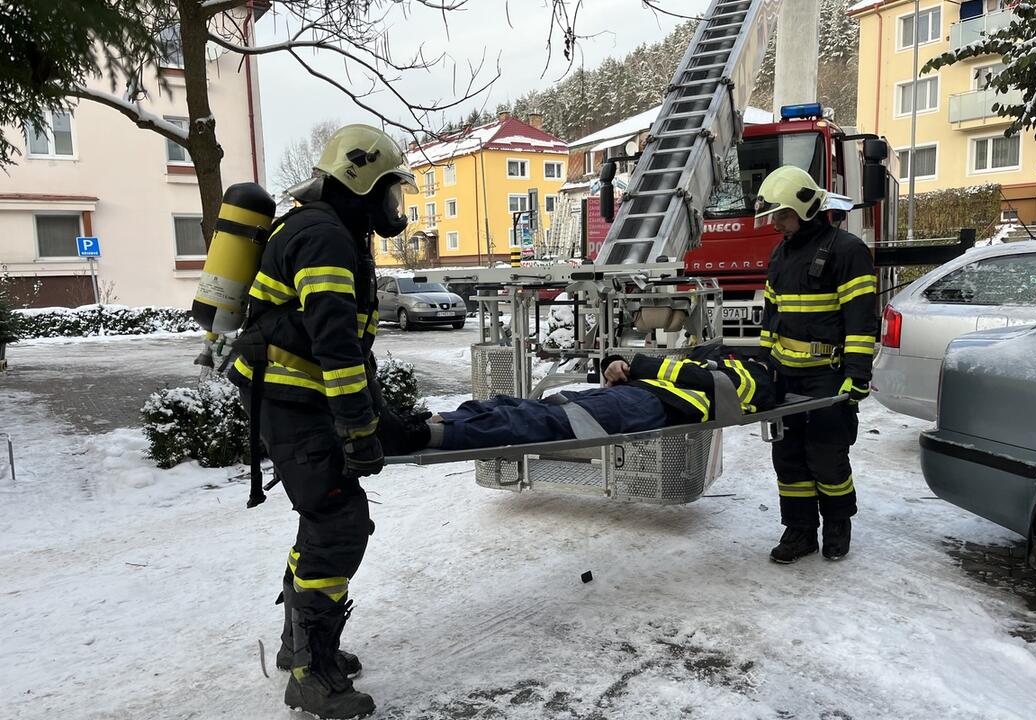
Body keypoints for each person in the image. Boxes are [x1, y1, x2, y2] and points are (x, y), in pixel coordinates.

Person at [227, 125, 417, 719]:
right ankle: (312, 673)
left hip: (290, 397)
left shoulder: (330, 230)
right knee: (337, 522)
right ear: (361, 184)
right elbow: (334, 345)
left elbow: (349, 345)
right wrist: (358, 432)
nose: (394, 206)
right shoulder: (324, 237)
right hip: (290, 401)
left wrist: (377, 417)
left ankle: (297, 646)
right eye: (390, 191)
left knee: (322, 519)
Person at [753, 165, 877, 563]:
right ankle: (800, 530)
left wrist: (856, 374)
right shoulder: (780, 254)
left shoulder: (847, 251)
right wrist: (764, 365)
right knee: (788, 457)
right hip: (786, 376)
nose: (775, 223)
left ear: (805, 209)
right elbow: (771, 315)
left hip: (829, 376)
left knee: (827, 455)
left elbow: (861, 321)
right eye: (773, 215)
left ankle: (837, 523)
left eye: (782, 215)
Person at [416, 346, 779, 452]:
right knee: (535, 407)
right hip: (632, 394)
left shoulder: (760, 378)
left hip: (654, 407)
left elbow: (699, 380)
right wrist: (617, 365)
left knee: (551, 421)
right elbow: (676, 371)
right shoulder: (718, 359)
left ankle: (433, 434)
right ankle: (437, 420)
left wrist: (641, 365)